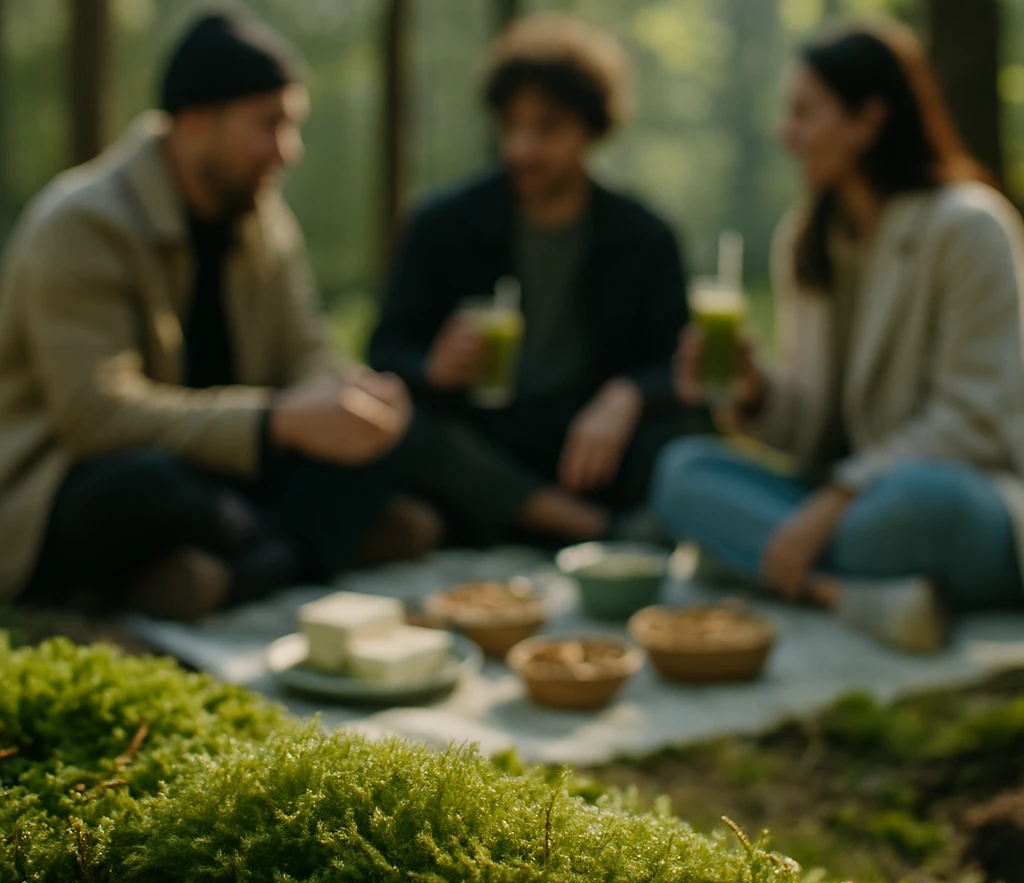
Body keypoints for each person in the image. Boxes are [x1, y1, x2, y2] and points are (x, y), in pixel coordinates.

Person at [0, 11, 438, 621]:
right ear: (196, 122)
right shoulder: (82, 224)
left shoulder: (262, 216)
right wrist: (277, 422)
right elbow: (96, 417)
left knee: (392, 438)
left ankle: (225, 573)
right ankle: (302, 550)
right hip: (80, 479)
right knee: (149, 488)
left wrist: (348, 398)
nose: (288, 150)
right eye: (269, 125)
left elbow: (303, 348)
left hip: (226, 466)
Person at [653, 19, 1024, 653]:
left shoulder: (968, 227)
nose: (786, 134)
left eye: (804, 112)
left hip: (957, 497)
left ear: (868, 120)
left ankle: (749, 554)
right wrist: (756, 394)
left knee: (916, 503)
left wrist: (835, 499)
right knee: (681, 470)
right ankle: (840, 592)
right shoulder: (808, 240)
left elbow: (974, 420)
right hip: (847, 501)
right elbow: (813, 428)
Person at [369, 14, 703, 546]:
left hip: (589, 446)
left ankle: (535, 518)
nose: (522, 149)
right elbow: (383, 354)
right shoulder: (442, 225)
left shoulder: (644, 235)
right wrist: (432, 367)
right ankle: (601, 530)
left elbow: (679, 365)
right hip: (484, 441)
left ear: (590, 128)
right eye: (511, 126)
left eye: (546, 129)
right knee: (399, 425)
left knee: (684, 437)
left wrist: (627, 395)